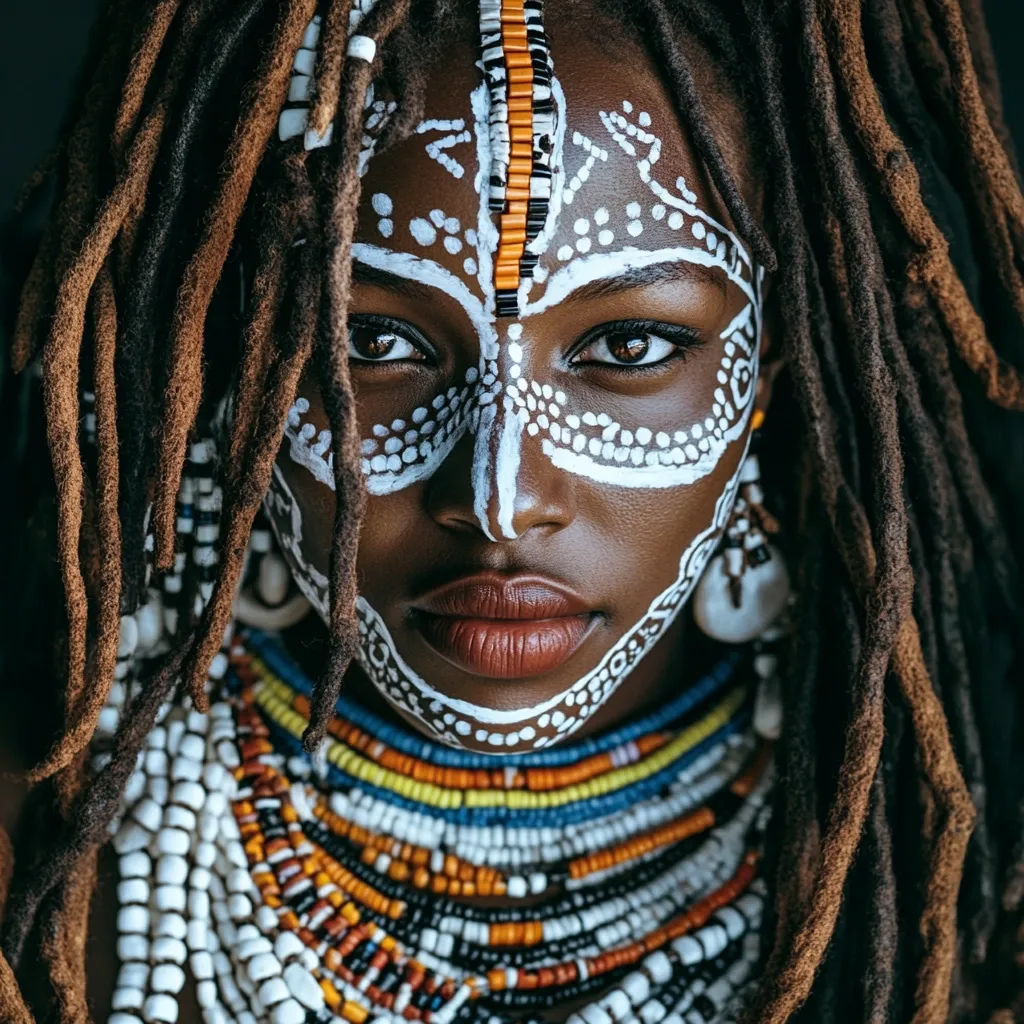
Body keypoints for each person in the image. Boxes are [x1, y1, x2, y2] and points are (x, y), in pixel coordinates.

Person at [1, 0, 1023, 1021]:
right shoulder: (37, 880)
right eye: (370, 345)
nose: (498, 499)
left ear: (769, 364)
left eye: (626, 346)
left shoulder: (977, 902)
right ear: (219, 356)